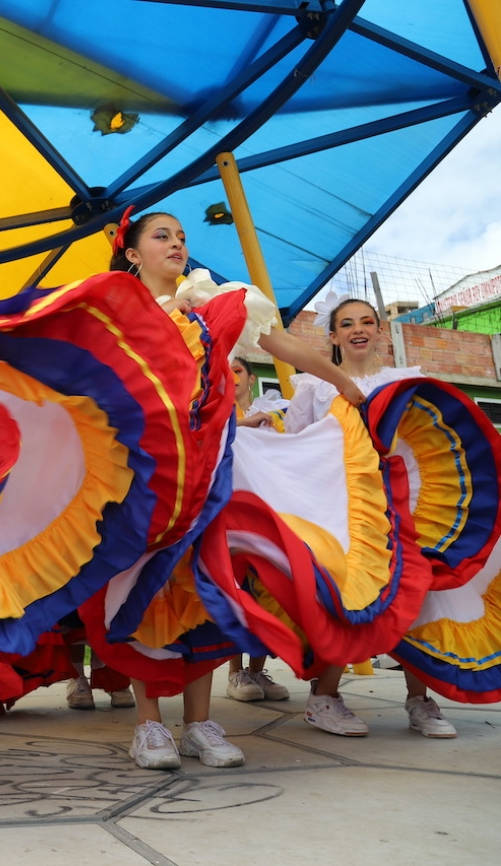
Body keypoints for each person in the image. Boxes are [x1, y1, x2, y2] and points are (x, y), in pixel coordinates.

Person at [97, 210, 365, 770]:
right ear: (132, 253)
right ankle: (148, 726)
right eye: (161, 236)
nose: (177, 243)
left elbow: (285, 347)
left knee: (208, 585)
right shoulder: (114, 313)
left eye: (182, 236)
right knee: (145, 587)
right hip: (146, 473)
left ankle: (199, 722)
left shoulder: (217, 301)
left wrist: (343, 382)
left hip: (213, 469)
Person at [285, 295, 457, 739]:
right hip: (343, 510)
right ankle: (324, 698)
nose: (357, 329)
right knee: (355, 596)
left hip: (406, 504)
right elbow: (294, 449)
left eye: (366, 321)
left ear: (381, 330)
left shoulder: (408, 380)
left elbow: (429, 441)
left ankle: (420, 701)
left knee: (417, 594)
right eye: (347, 323)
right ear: (333, 335)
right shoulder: (313, 387)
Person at [222, 357, 291, 703]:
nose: (231, 376)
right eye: (225, 371)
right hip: (229, 511)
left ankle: (256, 669)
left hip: (267, 508)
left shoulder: (274, 410)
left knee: (267, 586)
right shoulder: (216, 411)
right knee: (236, 586)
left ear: (252, 378)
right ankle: (235, 673)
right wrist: (246, 424)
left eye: (237, 371)